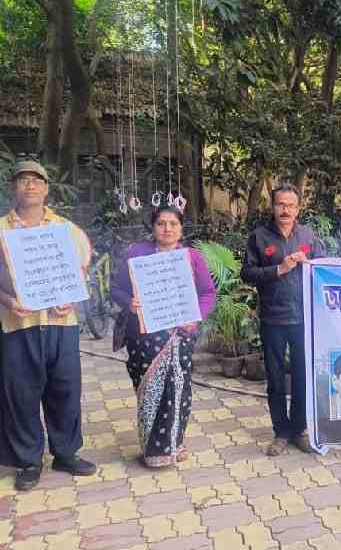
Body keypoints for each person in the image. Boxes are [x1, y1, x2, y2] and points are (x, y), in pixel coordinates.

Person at [0, 160, 97, 491]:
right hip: (17, 323)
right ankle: (28, 460)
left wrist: (72, 296)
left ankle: (66, 453)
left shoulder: (66, 229)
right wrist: (8, 301)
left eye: (36, 180)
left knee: (65, 389)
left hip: (61, 322)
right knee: (21, 392)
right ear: (14, 187)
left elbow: (82, 266)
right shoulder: (1, 230)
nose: (29, 185)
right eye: (23, 180)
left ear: (46, 188)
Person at [110, 206, 216, 468]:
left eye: (173, 224)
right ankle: (150, 445)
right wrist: (129, 302)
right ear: (153, 227)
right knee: (148, 390)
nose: (167, 229)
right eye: (161, 223)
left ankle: (175, 442)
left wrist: (195, 317)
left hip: (179, 335)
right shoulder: (137, 254)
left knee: (178, 388)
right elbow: (116, 287)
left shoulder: (191, 258)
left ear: (181, 229)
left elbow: (207, 293)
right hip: (143, 337)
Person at [241, 183, 324, 455]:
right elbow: (248, 273)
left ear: (298, 209)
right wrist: (280, 268)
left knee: (301, 377)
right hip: (273, 318)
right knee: (276, 379)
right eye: (280, 204)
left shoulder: (308, 236)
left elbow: (323, 268)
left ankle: (299, 430)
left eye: (290, 205)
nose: (285, 210)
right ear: (273, 207)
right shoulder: (259, 237)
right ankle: (280, 432)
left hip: (304, 318)